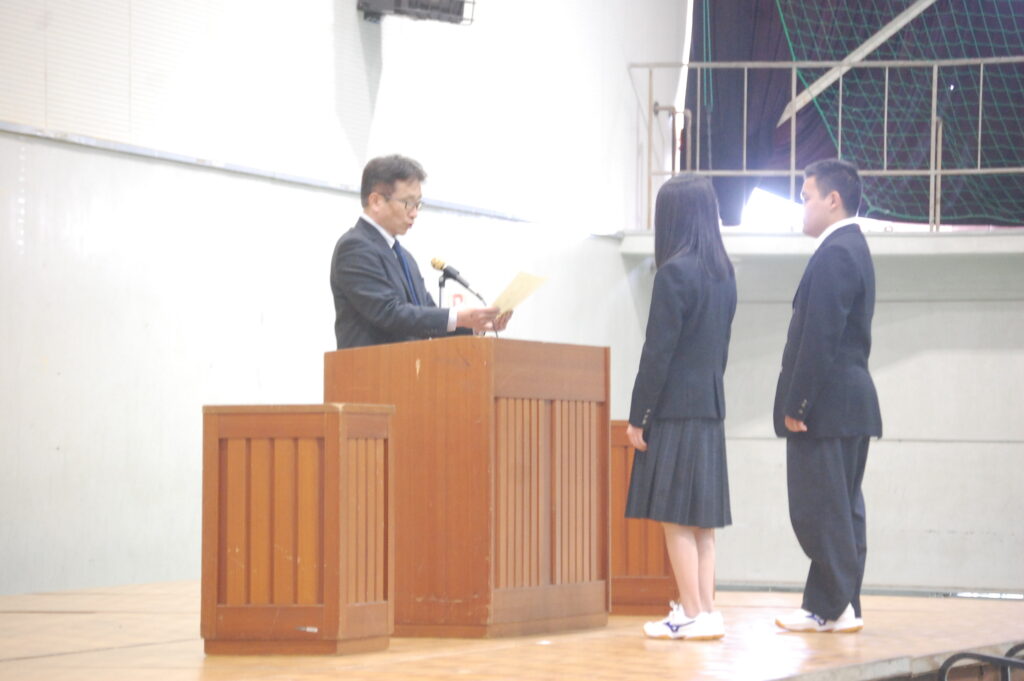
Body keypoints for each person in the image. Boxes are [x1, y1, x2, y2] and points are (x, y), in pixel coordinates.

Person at [624, 174, 737, 641]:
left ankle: (691, 614)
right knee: (702, 521)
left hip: (675, 410)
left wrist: (638, 416)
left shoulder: (673, 273)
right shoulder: (723, 273)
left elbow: (657, 353)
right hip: (709, 406)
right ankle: (706, 611)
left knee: (675, 517)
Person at [773, 158, 882, 633]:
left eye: (807, 197)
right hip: (847, 405)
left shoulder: (837, 252)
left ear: (833, 200)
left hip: (828, 406)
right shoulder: (850, 247)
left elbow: (821, 336)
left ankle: (836, 606)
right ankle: (835, 604)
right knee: (840, 508)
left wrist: (798, 403)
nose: (802, 207)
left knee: (819, 509)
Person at [330, 154, 508, 349]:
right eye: (408, 203)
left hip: (409, 365)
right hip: (371, 367)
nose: (414, 213)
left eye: (418, 204)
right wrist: (458, 316)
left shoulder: (404, 256)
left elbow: (425, 316)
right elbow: (388, 312)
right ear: (376, 201)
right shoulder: (355, 247)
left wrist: (474, 325)